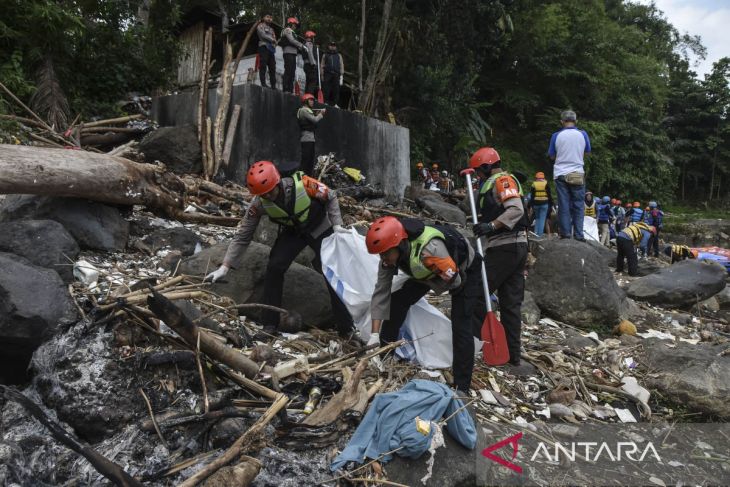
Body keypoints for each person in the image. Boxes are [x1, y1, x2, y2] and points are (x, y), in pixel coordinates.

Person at [205, 161, 354, 336]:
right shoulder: (258, 203)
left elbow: (331, 195)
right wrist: (225, 266)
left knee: (331, 272)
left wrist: (337, 225)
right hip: (294, 231)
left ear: (277, 183)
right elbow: (243, 235)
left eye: (269, 192)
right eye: (262, 195)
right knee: (274, 267)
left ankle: (346, 327)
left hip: (319, 226)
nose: (267, 197)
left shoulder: (304, 184)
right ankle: (270, 325)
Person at [364, 216, 481, 393]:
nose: (384, 258)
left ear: (399, 244)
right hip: (425, 271)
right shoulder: (389, 255)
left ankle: (461, 386)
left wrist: (433, 274)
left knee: (461, 324)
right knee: (397, 302)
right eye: (381, 254)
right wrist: (374, 334)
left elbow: (455, 283)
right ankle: (385, 352)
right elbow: (381, 293)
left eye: (386, 254)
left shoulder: (431, 250)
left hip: (462, 270)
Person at [469, 147, 529, 368]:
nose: (477, 176)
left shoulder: (502, 180)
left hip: (506, 246)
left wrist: (490, 225)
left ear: (486, 167)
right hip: (516, 246)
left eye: (478, 171)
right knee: (510, 304)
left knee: (476, 295)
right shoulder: (493, 182)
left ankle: (473, 346)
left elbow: (515, 210)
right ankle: (513, 357)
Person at [548, 110, 591, 241]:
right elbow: (587, 152)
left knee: (563, 204)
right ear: (575, 121)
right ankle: (579, 235)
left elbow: (551, 156)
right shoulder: (583, 134)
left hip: (561, 174)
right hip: (577, 173)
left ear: (562, 122)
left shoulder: (556, 135)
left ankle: (566, 234)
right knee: (578, 204)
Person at [297, 93, 325, 176]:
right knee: (305, 161)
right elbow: (315, 120)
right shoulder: (303, 110)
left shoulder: (308, 111)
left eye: (313, 100)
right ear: (305, 101)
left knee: (310, 162)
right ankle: (301, 178)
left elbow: (313, 123)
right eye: (310, 100)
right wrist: (321, 114)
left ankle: (308, 178)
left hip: (311, 139)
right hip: (306, 139)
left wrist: (317, 114)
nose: (312, 102)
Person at [280, 17, 305, 94]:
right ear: (290, 24)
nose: (295, 26)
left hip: (293, 53)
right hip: (288, 52)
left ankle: (290, 90)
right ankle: (285, 89)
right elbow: (291, 40)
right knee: (288, 70)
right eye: (294, 25)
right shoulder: (287, 30)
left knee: (292, 72)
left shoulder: (293, 32)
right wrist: (301, 45)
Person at [528, 171, 552, 237]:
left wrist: (531, 205)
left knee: (537, 218)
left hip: (536, 204)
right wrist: (552, 204)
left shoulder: (534, 184)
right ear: (543, 177)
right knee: (542, 219)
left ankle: (536, 232)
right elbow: (549, 195)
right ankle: (540, 234)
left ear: (536, 177)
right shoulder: (546, 183)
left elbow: (532, 196)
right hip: (544, 204)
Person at [256, 14, 277, 89]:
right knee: (263, 66)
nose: (269, 19)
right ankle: (263, 84)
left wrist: (274, 43)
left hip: (271, 49)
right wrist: (272, 40)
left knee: (273, 68)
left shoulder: (272, 29)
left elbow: (275, 38)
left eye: (271, 17)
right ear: (263, 18)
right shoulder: (260, 26)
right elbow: (262, 35)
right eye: (267, 17)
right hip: (263, 47)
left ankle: (273, 86)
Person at [321, 41, 344, 106]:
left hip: (336, 74)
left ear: (335, 47)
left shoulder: (339, 55)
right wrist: (322, 75)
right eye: (331, 45)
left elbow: (341, 64)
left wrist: (342, 75)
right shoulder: (325, 55)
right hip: (327, 74)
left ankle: (335, 103)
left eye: (334, 45)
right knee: (326, 88)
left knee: (336, 89)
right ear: (329, 46)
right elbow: (322, 65)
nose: (332, 47)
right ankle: (325, 102)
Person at [302, 31, 318, 95]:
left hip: (306, 65)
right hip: (310, 64)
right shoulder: (309, 44)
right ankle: (309, 95)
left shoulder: (305, 44)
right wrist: (313, 64)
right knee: (312, 80)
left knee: (308, 81)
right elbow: (310, 54)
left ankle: (306, 95)